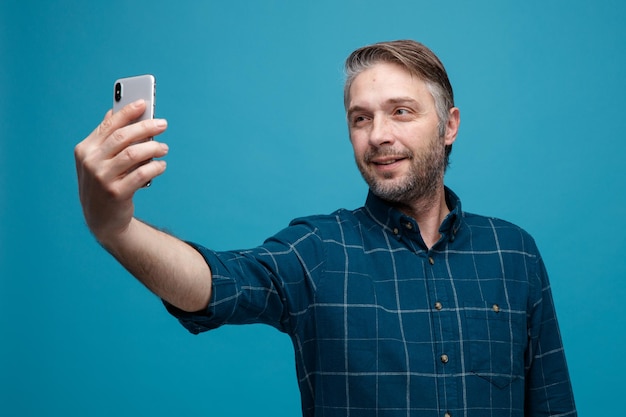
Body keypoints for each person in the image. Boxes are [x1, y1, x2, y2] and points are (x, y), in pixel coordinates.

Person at [74, 40, 577, 416]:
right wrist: (117, 228)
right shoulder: (318, 249)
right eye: (361, 119)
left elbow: (553, 406)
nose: (378, 135)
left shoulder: (514, 253)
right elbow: (214, 283)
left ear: (449, 126)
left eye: (400, 112)